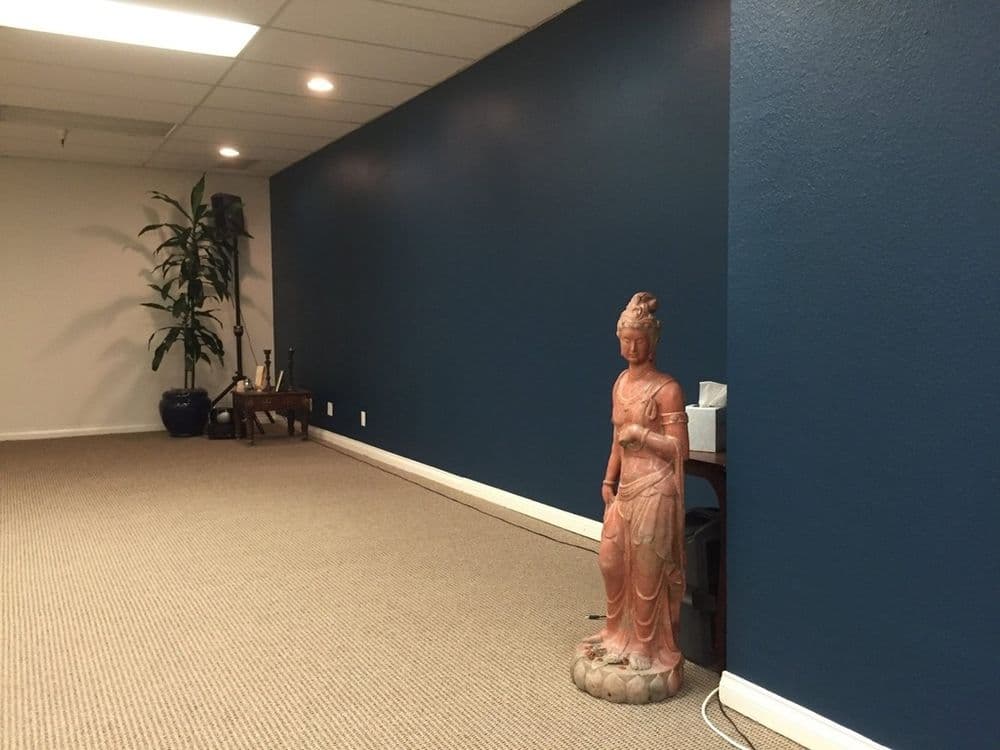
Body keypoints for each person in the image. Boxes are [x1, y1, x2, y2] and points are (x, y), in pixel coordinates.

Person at [588, 292, 689, 673]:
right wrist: (608, 478)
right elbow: (617, 437)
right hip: (625, 489)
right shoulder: (620, 383)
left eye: (639, 340)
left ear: (653, 341)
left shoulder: (667, 389)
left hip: (655, 488)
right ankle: (615, 630)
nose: (631, 347)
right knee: (611, 562)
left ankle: (646, 645)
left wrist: (643, 436)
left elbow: (681, 449)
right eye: (625, 340)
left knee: (647, 571)